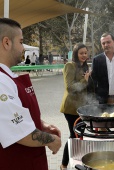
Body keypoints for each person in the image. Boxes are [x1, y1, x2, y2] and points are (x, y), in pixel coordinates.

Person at [0, 18, 61, 170]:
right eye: (20, 42)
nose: (23, 49)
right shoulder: (1, 81)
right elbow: (20, 133)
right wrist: (53, 140)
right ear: (6, 42)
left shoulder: (8, 77)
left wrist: (42, 125)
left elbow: (17, 114)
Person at [60, 43, 90, 170]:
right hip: (71, 108)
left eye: (85, 53)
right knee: (74, 136)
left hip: (82, 108)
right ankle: (63, 164)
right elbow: (70, 87)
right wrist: (85, 80)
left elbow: (86, 89)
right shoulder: (70, 66)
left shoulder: (85, 67)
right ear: (75, 54)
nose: (84, 55)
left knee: (80, 135)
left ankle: (78, 161)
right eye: (81, 53)